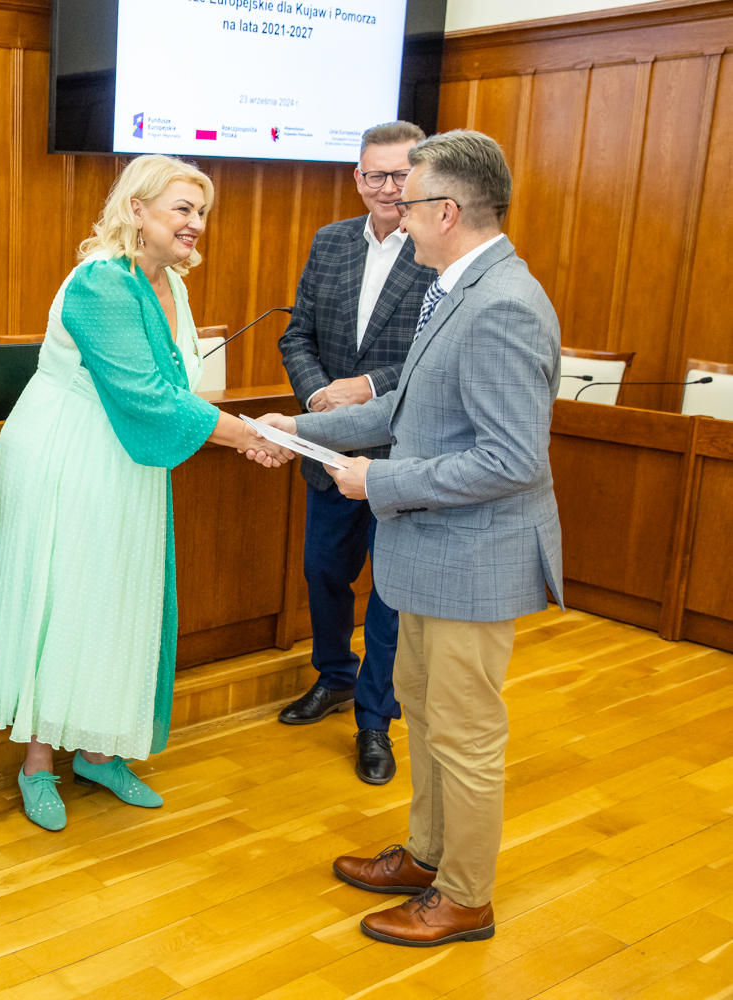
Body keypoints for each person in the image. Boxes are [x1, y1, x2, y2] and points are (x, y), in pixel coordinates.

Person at [252, 129, 563, 946]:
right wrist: (298, 427)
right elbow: (403, 408)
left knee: (465, 735)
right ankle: (428, 855)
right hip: (431, 553)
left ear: (447, 211)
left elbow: (511, 460)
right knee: (425, 716)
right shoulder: (456, 286)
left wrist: (377, 482)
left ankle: (465, 897)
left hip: (472, 560)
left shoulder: (501, 304)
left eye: (411, 199)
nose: (397, 210)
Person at [0, 154, 291, 832]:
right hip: (71, 456)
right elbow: (147, 395)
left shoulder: (171, 282)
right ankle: (38, 764)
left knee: (117, 600)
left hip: (128, 458)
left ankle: (98, 751)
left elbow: (173, 390)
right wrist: (246, 436)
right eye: (182, 208)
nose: (196, 223)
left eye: (202, 212)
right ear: (136, 209)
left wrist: (240, 433)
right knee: (64, 597)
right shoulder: (101, 284)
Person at [275, 121, 436, 786]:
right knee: (323, 572)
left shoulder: (437, 247)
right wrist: (321, 401)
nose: (388, 187)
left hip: (400, 456)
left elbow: (434, 354)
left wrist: (365, 388)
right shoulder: (331, 241)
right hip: (330, 451)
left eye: (401, 175)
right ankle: (334, 676)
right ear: (357, 178)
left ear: (421, 179)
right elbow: (297, 336)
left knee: (390, 596)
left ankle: (375, 720)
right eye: (376, 174)